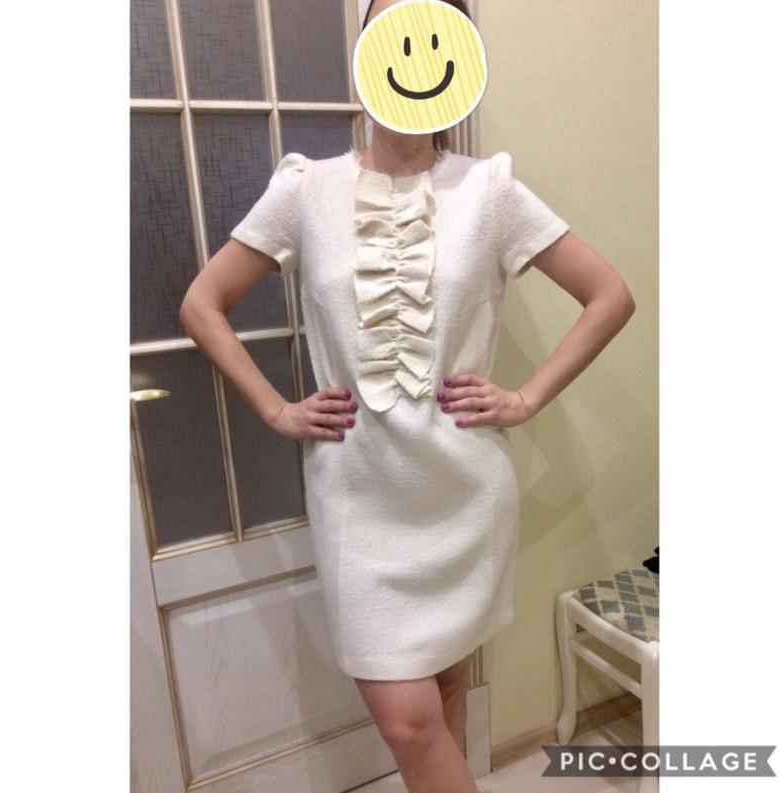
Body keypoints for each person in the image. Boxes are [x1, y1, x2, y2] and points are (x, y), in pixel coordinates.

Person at [179, 1, 636, 790]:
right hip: (358, 501)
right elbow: (201, 304)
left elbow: (609, 295)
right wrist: (277, 409)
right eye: (391, 33)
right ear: (364, 58)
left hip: (465, 494)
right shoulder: (306, 190)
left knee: (448, 690)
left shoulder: (489, 191)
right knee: (409, 720)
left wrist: (524, 399)